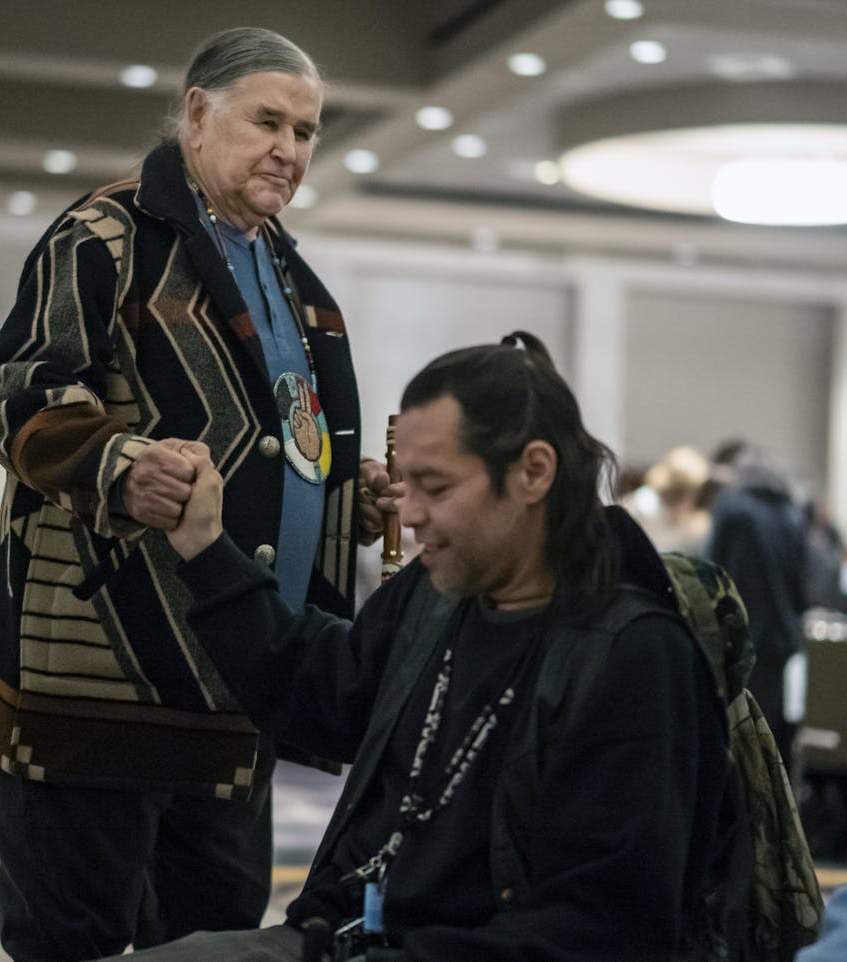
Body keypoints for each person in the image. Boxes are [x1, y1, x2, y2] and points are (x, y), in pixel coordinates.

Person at [0, 25, 397, 962]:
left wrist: (342, 497)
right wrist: (119, 464)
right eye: (267, 121)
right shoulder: (106, 235)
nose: (289, 149)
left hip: (240, 677)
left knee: (216, 943)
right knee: (68, 943)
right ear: (197, 114)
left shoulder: (287, 269)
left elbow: (285, 437)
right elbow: (16, 392)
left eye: (308, 131)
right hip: (100, 677)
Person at [100, 331, 731, 961]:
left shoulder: (634, 655)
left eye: (436, 486)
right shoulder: (439, 596)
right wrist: (206, 551)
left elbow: (601, 929)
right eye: (408, 484)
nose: (409, 513)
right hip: (335, 937)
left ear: (534, 472)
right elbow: (317, 692)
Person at [706, 441, 809, 763]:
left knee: (733, 745)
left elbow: (712, 574)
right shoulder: (791, 514)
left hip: (737, 639)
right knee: (768, 742)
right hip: (779, 642)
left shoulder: (732, 508)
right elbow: (801, 586)